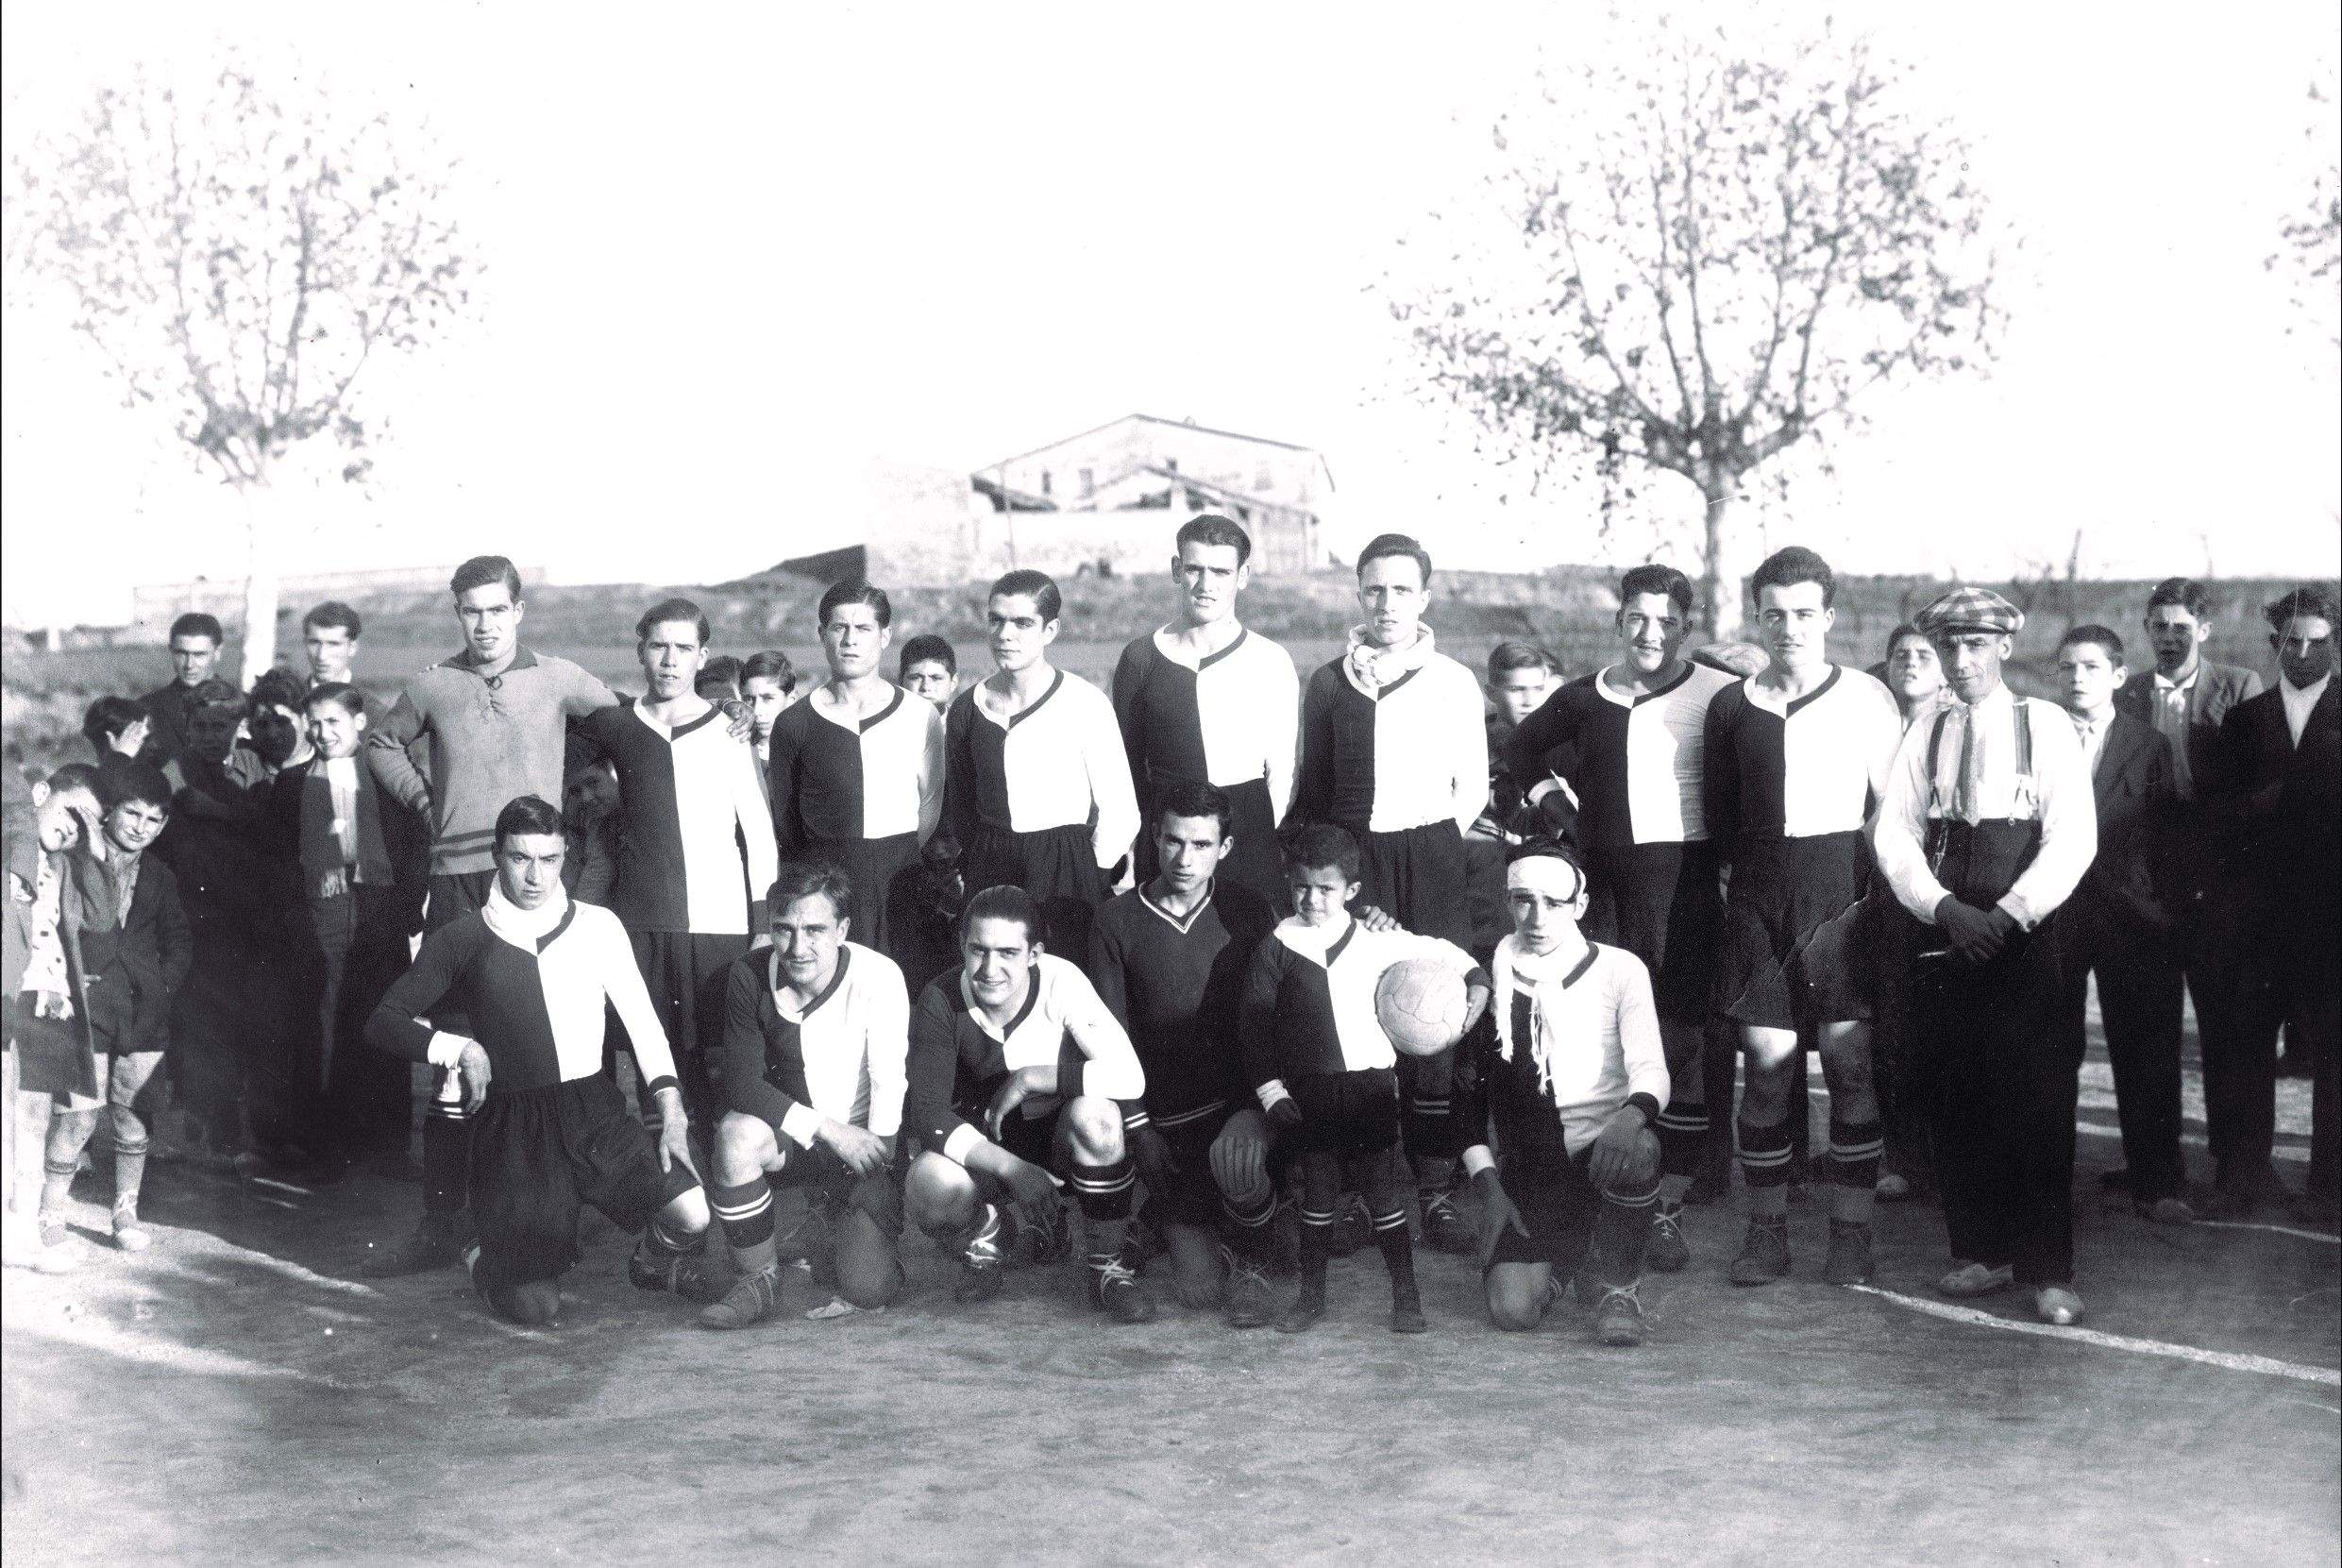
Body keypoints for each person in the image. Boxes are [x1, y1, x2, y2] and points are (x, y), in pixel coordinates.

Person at [361, 555, 627, 1276]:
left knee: (558, 1049)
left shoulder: (562, 677)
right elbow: (380, 743)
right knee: (457, 1055)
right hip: (458, 880)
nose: (484, 623)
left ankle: (569, 1199)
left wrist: (585, 788)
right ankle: (442, 1218)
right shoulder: (431, 685)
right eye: (470, 610)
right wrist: (424, 802)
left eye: (495, 609)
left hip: (537, 881)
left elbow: (628, 726)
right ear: (458, 614)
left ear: (519, 611)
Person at [363, 795, 712, 1326]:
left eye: (549, 859)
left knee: (692, 1214)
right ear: (496, 857)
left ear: (565, 854)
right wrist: (460, 1048)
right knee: (534, 1307)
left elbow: (644, 1024)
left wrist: (672, 1108)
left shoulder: (599, 926)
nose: (535, 876)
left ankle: (651, 1255)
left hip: (592, 1109)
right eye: (520, 858)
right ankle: (481, 1245)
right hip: (515, 1126)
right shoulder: (463, 938)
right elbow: (383, 1020)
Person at [1875, 587, 2096, 1323]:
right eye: (1948, 647)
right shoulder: (1926, 729)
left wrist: (2006, 913)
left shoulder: (2045, 723)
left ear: (2003, 647)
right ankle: (1981, 1248)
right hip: (1946, 922)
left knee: (2033, 1094)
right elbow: (1893, 833)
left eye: (1975, 645)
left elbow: (2073, 837)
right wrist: (1942, 907)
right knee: (1955, 1086)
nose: (1959, 661)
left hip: (2024, 930)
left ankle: (2047, 1267)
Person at [1507, 564, 1733, 1273]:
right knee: (1603, 1035)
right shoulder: (1583, 696)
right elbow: (1519, 749)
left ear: (1686, 627)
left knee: (1682, 1041)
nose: (1649, 632)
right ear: (1617, 622)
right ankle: (1607, 1186)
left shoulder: (1717, 691)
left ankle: (1663, 1203)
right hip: (1603, 884)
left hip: (1686, 883)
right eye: (1637, 617)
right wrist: (1555, 805)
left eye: (1666, 620)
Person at [1703, 546, 1903, 1288]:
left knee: (1849, 1065)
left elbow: (1893, 809)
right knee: (1764, 1066)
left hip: (1841, 895)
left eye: (1802, 613)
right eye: (1773, 614)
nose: (1788, 627)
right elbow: (1721, 815)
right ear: (1756, 617)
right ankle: (1765, 1233)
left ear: (1828, 617)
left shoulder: (1862, 697)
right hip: (1758, 895)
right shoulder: (1732, 705)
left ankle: (1850, 1236)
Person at [1292, 533, 1490, 1256]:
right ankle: (1349, 1192)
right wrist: (1354, 874)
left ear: (1424, 599)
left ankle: (1435, 1189)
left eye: (1401, 590)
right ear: (1357, 594)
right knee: (1347, 1022)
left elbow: (1470, 789)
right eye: (1373, 589)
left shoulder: (1451, 680)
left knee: (1432, 1027)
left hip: (1430, 852)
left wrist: (1423, 849)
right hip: (1352, 854)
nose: (1386, 604)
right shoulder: (1327, 681)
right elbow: (1311, 787)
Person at [1239, 824, 1491, 1334]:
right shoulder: (1277, 946)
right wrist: (1271, 1091)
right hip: (1311, 1092)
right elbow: (1255, 1027)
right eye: (1302, 886)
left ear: (1351, 892)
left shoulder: (1378, 941)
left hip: (1372, 1090)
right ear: (1290, 884)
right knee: (1318, 1195)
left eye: (1326, 888)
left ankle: (1406, 1294)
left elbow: (1451, 954)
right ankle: (1311, 1299)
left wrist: (1477, 986)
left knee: (1383, 1193)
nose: (1312, 899)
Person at [901, 885, 1156, 1323]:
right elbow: (929, 1115)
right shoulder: (941, 997)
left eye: (1007, 953)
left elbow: (1129, 1076)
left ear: (1034, 954)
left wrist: (1032, 1077)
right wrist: (1013, 1170)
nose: (990, 968)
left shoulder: (1062, 980)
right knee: (927, 1179)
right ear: (962, 945)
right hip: (989, 1156)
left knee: (1098, 1117)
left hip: (1056, 1147)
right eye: (978, 950)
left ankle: (1107, 1266)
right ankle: (989, 1237)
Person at [574, 599, 780, 1124]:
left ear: (702, 655)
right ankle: (671, 1188)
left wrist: (762, 925)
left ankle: (726, 1181)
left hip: (720, 923)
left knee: (719, 1063)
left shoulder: (728, 729)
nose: (669, 659)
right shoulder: (613, 725)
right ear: (640, 651)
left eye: (683, 648)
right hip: (640, 921)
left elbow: (759, 836)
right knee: (653, 1064)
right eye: (658, 646)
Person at [1457, 839, 1667, 1346]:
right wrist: (1488, 1186)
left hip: (1604, 1150)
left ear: (1581, 905)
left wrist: (1629, 1117)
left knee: (1641, 1149)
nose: (1537, 916)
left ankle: (1619, 1285)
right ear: (1508, 901)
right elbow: (1466, 1098)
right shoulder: (1484, 974)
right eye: (1524, 899)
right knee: (1511, 1310)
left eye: (1553, 902)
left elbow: (1652, 1072)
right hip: (1531, 1169)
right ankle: (1578, 1253)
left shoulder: (1621, 969)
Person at [1087, 783, 1282, 1324]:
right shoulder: (1116, 920)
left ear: (1225, 848)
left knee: (1242, 1168)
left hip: (1234, 1108)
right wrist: (1139, 1127)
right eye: (1173, 841)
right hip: (1163, 1122)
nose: (1184, 858)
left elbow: (1267, 1018)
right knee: (1197, 1290)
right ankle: (1160, 1223)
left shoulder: (1248, 910)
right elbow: (1107, 1035)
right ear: (1154, 838)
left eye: (1201, 845)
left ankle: (1254, 1262)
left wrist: (1252, 1109)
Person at [2111, 577, 2270, 1215]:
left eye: (2181, 626)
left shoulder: (2237, 688)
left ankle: (2237, 1168)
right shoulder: (2125, 693)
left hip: (2216, 884)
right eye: (2159, 626)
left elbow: (2253, 791)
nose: (2170, 637)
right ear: (2145, 631)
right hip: (2148, 884)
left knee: (2226, 1031)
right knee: (2145, 1031)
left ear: (2203, 630)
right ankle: (2153, 1165)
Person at [699, 861, 913, 1329]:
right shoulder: (749, 974)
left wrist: (878, 1170)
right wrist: (828, 1131)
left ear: (842, 929)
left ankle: (832, 1219)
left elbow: (888, 1083)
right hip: (802, 1138)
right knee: (736, 1135)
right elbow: (743, 1085)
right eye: (784, 929)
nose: (798, 947)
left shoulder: (879, 976)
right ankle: (756, 1279)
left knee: (868, 1288)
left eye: (814, 930)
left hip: (862, 1144)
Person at [2052, 626, 2192, 1223]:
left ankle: (2159, 1180)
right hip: (2054, 911)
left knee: (2145, 1047)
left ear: (2116, 677)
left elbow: (2170, 835)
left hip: (2131, 916)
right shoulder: (2039, 736)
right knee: (2051, 1046)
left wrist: (2163, 910)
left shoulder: (2149, 744)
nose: (2077, 678)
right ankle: (2048, 1178)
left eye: (2090, 667)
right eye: (2067, 668)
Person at [267, 683, 427, 1175]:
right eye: (313, 723)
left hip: (380, 910)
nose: (322, 732)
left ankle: (386, 1143)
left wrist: (405, 907)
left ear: (359, 722)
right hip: (321, 913)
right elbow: (279, 862)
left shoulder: (385, 776)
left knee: (381, 1018)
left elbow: (415, 846)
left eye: (333, 721)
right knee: (322, 1022)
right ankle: (323, 1143)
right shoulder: (292, 784)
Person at [2215, 587, 2337, 1223]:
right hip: (2256, 921)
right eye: (2290, 640)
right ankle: (2242, 1176)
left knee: (2335, 1055)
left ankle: (2330, 1188)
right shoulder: (2244, 720)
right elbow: (2218, 816)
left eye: (2316, 641)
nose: (2302, 652)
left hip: (2332, 922)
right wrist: (2253, 808)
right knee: (2246, 1046)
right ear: (2273, 645)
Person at [36, 763, 192, 1256]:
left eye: (154, 820)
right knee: (78, 1115)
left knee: (133, 1112)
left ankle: (125, 1210)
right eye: (132, 814)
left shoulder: (162, 875)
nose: (141, 828)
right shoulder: (75, 860)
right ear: (106, 814)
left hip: (143, 1013)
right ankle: (50, 1207)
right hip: (85, 1007)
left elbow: (179, 940)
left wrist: (162, 987)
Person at [943, 570, 1139, 960]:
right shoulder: (967, 707)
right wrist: (977, 859)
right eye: (996, 620)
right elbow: (962, 805)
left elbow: (1121, 811)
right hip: (991, 863)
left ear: (1050, 630)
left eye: (1022, 623)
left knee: (1063, 979)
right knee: (991, 976)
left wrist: (1088, 871)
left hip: (1065, 866)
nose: (1005, 634)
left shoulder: (1084, 702)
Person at [1110, 515, 1301, 912]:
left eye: (1220, 571)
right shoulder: (1141, 657)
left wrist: (1259, 835)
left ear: (1242, 576)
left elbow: (1282, 771)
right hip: (1168, 832)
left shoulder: (1269, 659)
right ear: (1176, 570)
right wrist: (1138, 841)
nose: (1206, 584)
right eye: (1195, 569)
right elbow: (1126, 769)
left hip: (1247, 828)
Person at [767, 582, 945, 963]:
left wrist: (892, 853)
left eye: (863, 629)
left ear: (885, 636)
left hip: (902, 881)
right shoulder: (794, 722)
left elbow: (931, 806)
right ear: (822, 635)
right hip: (828, 888)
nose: (850, 640)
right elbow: (785, 823)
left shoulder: (919, 715)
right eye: (839, 628)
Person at [4, 768, 108, 1273]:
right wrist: (31, 811)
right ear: (41, 795)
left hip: (51, 1000)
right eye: (71, 811)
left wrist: (93, 846)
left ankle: (21, 1230)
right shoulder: (15, 842)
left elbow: (101, 916)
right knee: (10, 1118)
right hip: (13, 994)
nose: (73, 827)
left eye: (87, 822)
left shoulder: (66, 865)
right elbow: (20, 830)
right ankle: (13, 1234)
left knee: (33, 1119)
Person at [1867, 621, 1948, 1205]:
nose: (1912, 664)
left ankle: (1949, 1156)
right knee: (1889, 1024)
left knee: (1942, 1026)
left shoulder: (1957, 717)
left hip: (1944, 884)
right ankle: (1901, 1153)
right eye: (1902, 655)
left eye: (1925, 655)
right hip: (1878, 885)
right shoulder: (1872, 715)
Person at [1469, 641, 1558, 956]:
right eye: (1517, 690)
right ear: (1491, 692)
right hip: (1485, 871)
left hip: (1544, 868)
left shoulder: (1559, 739)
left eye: (1537, 688)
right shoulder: (1471, 741)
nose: (1529, 701)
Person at [135, 612, 227, 771]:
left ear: (218, 652)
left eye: (199, 654)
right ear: (171, 651)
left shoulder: (243, 706)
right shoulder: (146, 708)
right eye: (181, 653)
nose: (189, 664)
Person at [740, 650, 798, 772]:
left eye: (767, 698)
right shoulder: (736, 751)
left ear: (791, 700)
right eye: (749, 699)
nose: (756, 710)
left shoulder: (808, 755)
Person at [301, 602, 363, 690]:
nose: (321, 656)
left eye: (333, 644)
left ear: (352, 648)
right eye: (315, 642)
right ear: (305, 643)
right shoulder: (288, 701)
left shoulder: (370, 703)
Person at [898, 634, 959, 711]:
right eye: (916, 678)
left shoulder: (968, 722)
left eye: (936, 678)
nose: (926, 687)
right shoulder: (886, 722)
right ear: (901, 681)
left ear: (953, 682)